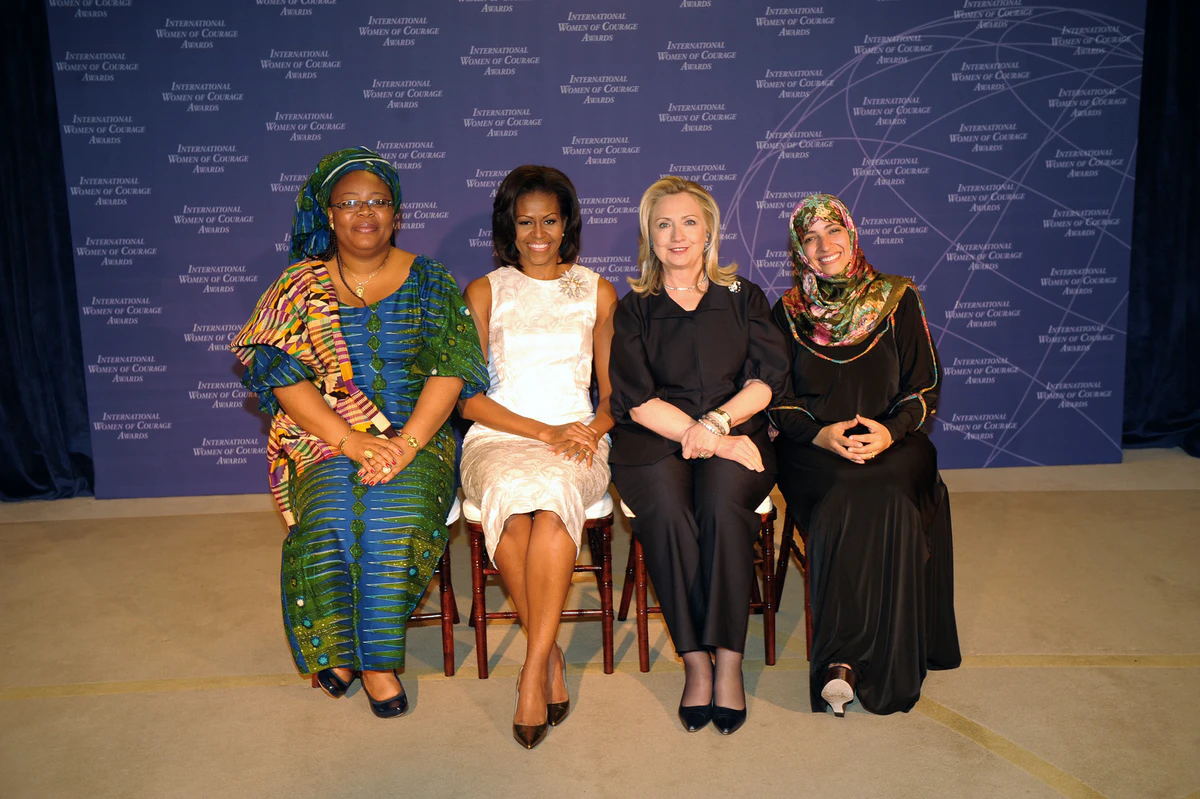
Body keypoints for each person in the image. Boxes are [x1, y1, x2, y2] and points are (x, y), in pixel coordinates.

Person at [231, 146, 488, 718]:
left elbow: (451, 371)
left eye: (378, 201)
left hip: (418, 438)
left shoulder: (430, 280)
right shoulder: (298, 286)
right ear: (327, 215)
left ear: (396, 213)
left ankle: (375, 662)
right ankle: (342, 645)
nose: (364, 213)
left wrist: (402, 444)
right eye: (349, 203)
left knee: (385, 518)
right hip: (327, 437)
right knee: (331, 512)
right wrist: (351, 442)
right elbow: (283, 380)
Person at [608, 176, 789, 736]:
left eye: (688, 222)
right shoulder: (635, 307)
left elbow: (768, 378)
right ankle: (694, 659)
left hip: (734, 426)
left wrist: (717, 426)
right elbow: (635, 399)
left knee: (719, 502)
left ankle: (729, 658)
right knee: (666, 511)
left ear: (708, 230)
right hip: (654, 439)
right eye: (663, 224)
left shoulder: (745, 297)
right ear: (649, 236)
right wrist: (702, 433)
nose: (677, 234)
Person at [769, 193, 962, 717]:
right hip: (814, 448)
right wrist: (821, 435)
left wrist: (889, 430)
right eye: (810, 238)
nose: (823, 245)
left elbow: (925, 387)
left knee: (882, 487)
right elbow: (777, 400)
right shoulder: (786, 314)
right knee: (850, 489)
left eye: (833, 232)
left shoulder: (898, 298)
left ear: (851, 236)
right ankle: (843, 660)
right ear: (798, 250)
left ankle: (863, 664)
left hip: (894, 441)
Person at [459, 165, 617, 749]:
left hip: (577, 434)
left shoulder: (598, 290)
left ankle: (531, 668)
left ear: (567, 222)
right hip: (499, 435)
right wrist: (543, 432)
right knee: (510, 503)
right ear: (509, 226)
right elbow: (470, 401)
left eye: (549, 220)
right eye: (524, 222)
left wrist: (590, 430)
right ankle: (546, 662)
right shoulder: (484, 291)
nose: (538, 233)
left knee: (550, 511)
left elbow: (613, 394)